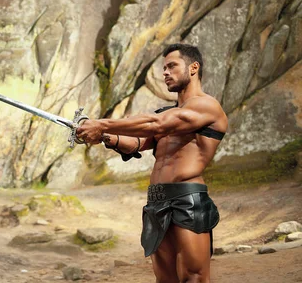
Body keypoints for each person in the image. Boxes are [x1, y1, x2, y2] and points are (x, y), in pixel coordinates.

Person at [76, 43, 228, 283]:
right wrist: (103, 136)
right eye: (163, 68)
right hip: (156, 200)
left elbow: (157, 125)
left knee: (194, 277)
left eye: (172, 66)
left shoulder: (206, 106)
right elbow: (136, 143)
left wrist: (101, 124)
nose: (165, 73)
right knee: (165, 280)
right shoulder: (167, 112)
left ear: (193, 68)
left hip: (187, 200)